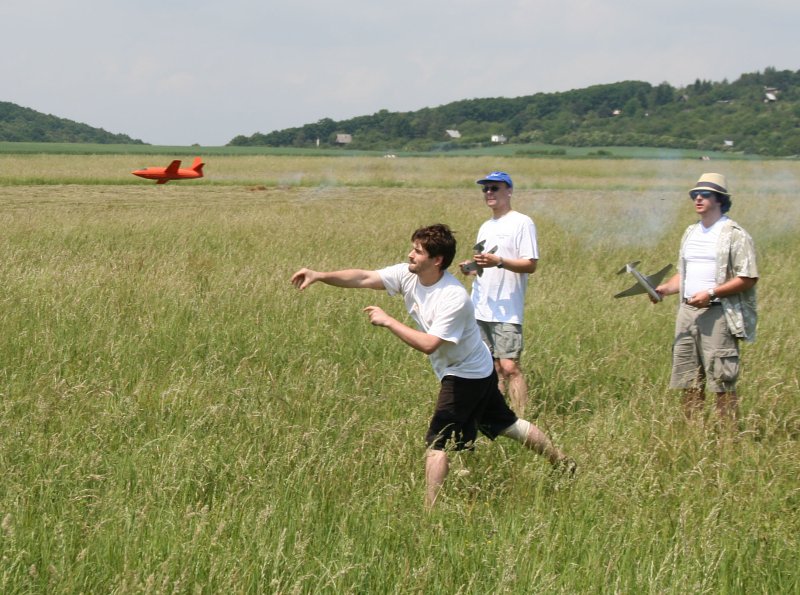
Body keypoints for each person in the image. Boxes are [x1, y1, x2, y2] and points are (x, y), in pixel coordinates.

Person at [291, 224, 573, 508]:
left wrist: (389, 321)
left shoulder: (452, 297)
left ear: (436, 260)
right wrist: (319, 276)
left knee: (437, 443)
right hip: (480, 367)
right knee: (507, 424)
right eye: (413, 248)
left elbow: (429, 344)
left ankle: (430, 512)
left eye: (418, 251)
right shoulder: (407, 274)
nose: (410, 255)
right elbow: (364, 277)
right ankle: (562, 462)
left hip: (465, 374)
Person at [654, 173, 758, 424]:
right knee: (688, 380)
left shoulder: (734, 234)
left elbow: (748, 277)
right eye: (694, 195)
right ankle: (693, 437)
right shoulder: (691, 232)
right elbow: (686, 272)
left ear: (720, 199)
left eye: (705, 194)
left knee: (722, 382)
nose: (698, 198)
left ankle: (728, 441)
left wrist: (711, 293)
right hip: (687, 313)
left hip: (719, 313)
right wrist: (666, 289)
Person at [459, 171, 538, 415]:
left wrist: (500, 261)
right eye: (485, 189)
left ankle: (521, 417)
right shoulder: (485, 226)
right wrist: (472, 268)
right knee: (491, 366)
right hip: (481, 304)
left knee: (510, 365)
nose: (489, 193)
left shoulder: (522, 222)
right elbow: (487, 263)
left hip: (507, 308)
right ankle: (496, 414)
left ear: (509, 191)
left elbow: (530, 264)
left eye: (495, 188)